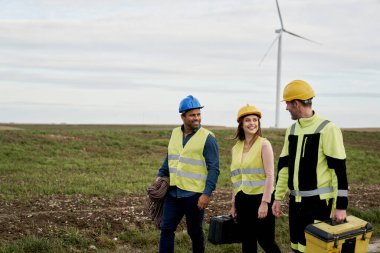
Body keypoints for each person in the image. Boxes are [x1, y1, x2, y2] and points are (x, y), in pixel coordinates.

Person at [272, 80, 348, 253]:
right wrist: (278, 197)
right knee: (298, 248)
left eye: (287, 104)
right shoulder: (291, 130)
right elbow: (284, 167)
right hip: (295, 205)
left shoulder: (328, 129)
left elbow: (339, 170)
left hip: (319, 205)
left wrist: (341, 206)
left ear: (296, 103)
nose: (286, 108)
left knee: (316, 250)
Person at [156, 95, 220, 253]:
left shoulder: (208, 138)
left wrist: (206, 194)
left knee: (195, 232)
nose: (196, 118)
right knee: (166, 229)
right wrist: (159, 176)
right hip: (173, 192)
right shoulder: (175, 134)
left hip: (194, 195)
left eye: (198, 114)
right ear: (183, 116)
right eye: (192, 115)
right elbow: (170, 157)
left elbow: (214, 168)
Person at [229, 104, 281, 253]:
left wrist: (265, 203)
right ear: (241, 124)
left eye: (255, 120)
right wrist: (234, 204)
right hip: (242, 199)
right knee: (247, 241)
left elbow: (270, 175)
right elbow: (236, 179)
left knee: (266, 241)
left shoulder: (264, 144)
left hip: (261, 198)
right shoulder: (236, 148)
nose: (252, 123)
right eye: (248, 120)